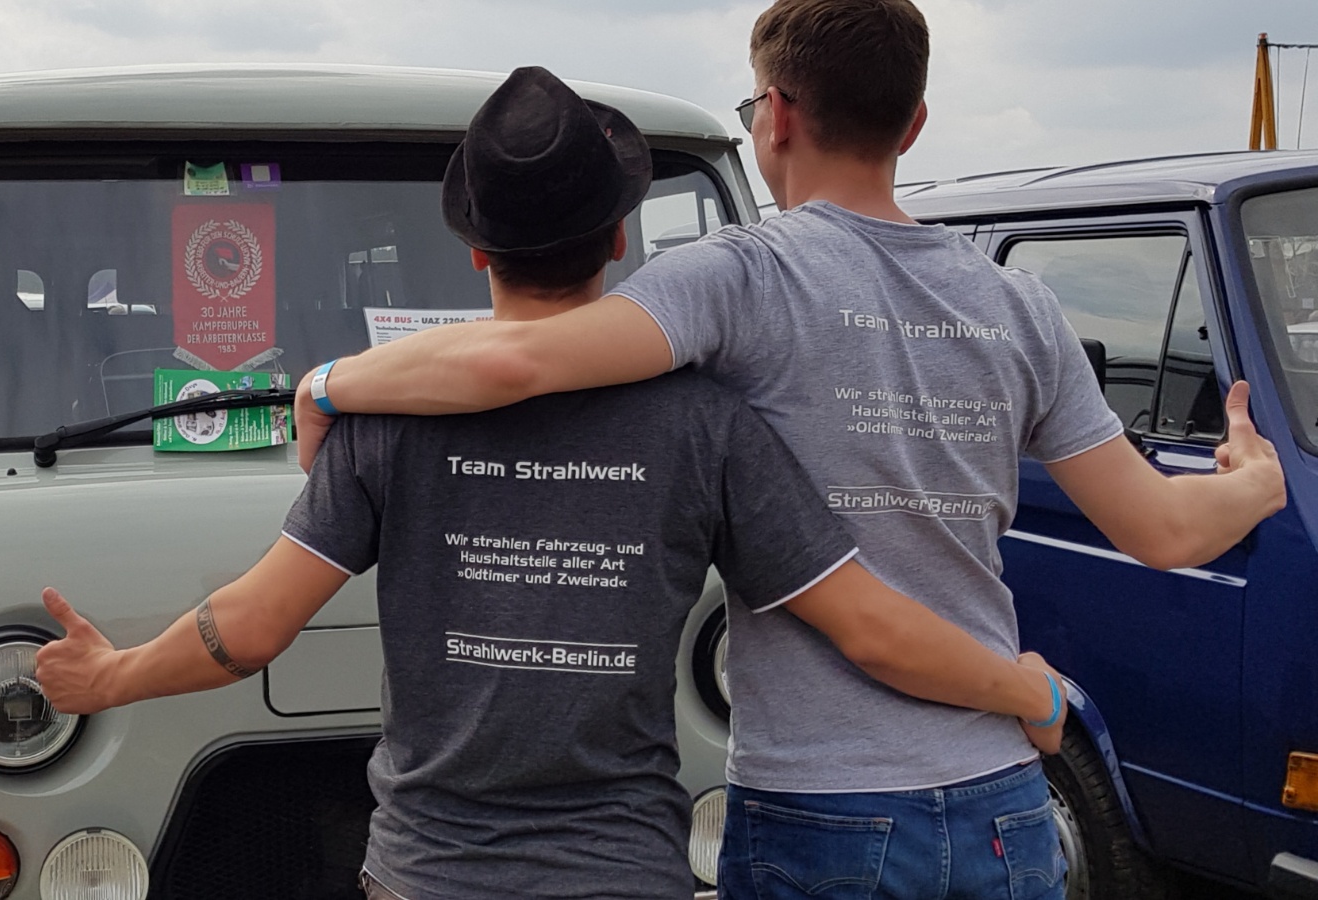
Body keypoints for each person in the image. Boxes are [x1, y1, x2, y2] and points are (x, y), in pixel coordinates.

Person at [289, 7, 1289, 900]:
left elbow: (516, 360)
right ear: (913, 124)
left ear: (774, 115)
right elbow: (1162, 531)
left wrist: (329, 383)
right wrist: (1254, 483)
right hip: (1002, 795)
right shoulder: (1020, 305)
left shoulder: (736, 277)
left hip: (822, 804)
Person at [37, 67, 1071, 900]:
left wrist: (110, 677)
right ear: (620, 239)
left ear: (473, 250)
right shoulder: (706, 424)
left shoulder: (385, 419)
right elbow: (869, 625)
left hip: (427, 872)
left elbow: (252, 628)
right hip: (621, 870)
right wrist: (1025, 687)